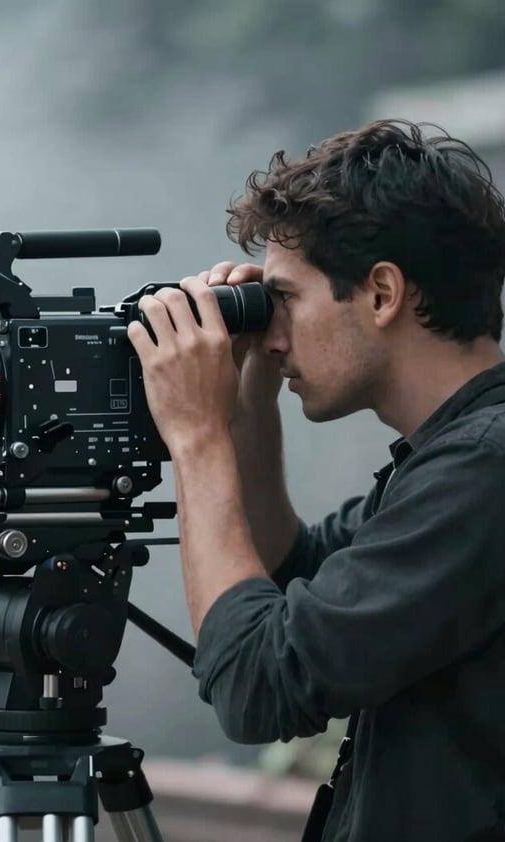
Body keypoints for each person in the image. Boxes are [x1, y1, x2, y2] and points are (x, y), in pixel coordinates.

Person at [126, 119, 505, 842]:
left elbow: (257, 685)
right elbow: (287, 576)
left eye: (286, 301)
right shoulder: (452, 459)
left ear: (383, 293)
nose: (272, 334)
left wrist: (195, 436)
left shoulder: (484, 469)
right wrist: (247, 402)